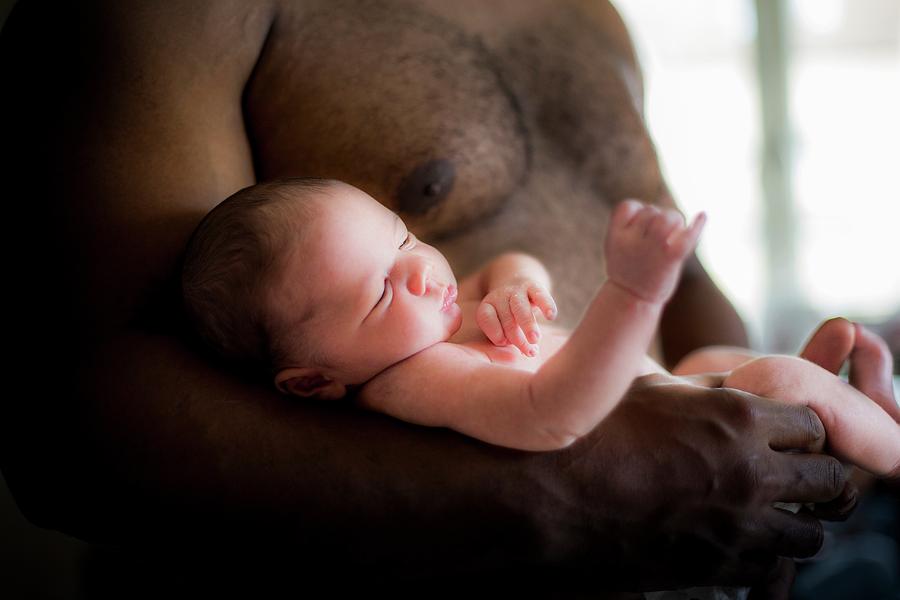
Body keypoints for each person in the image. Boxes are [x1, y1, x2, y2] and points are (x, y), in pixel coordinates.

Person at [1, 1, 869, 596]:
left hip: (728, 529)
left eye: (412, 241)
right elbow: (72, 424)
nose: (421, 268)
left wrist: (785, 463)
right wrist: (579, 500)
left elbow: (685, 278)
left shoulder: (590, 11)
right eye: (391, 272)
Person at [182, 178, 900, 475]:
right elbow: (549, 415)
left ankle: (836, 423)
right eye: (379, 292)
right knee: (767, 380)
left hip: (672, 392)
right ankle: (880, 449)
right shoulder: (417, 377)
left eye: (402, 240)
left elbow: (504, 263)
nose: (424, 274)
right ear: (312, 381)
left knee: (716, 359)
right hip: (674, 454)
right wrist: (633, 294)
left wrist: (519, 284)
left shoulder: (423, 322)